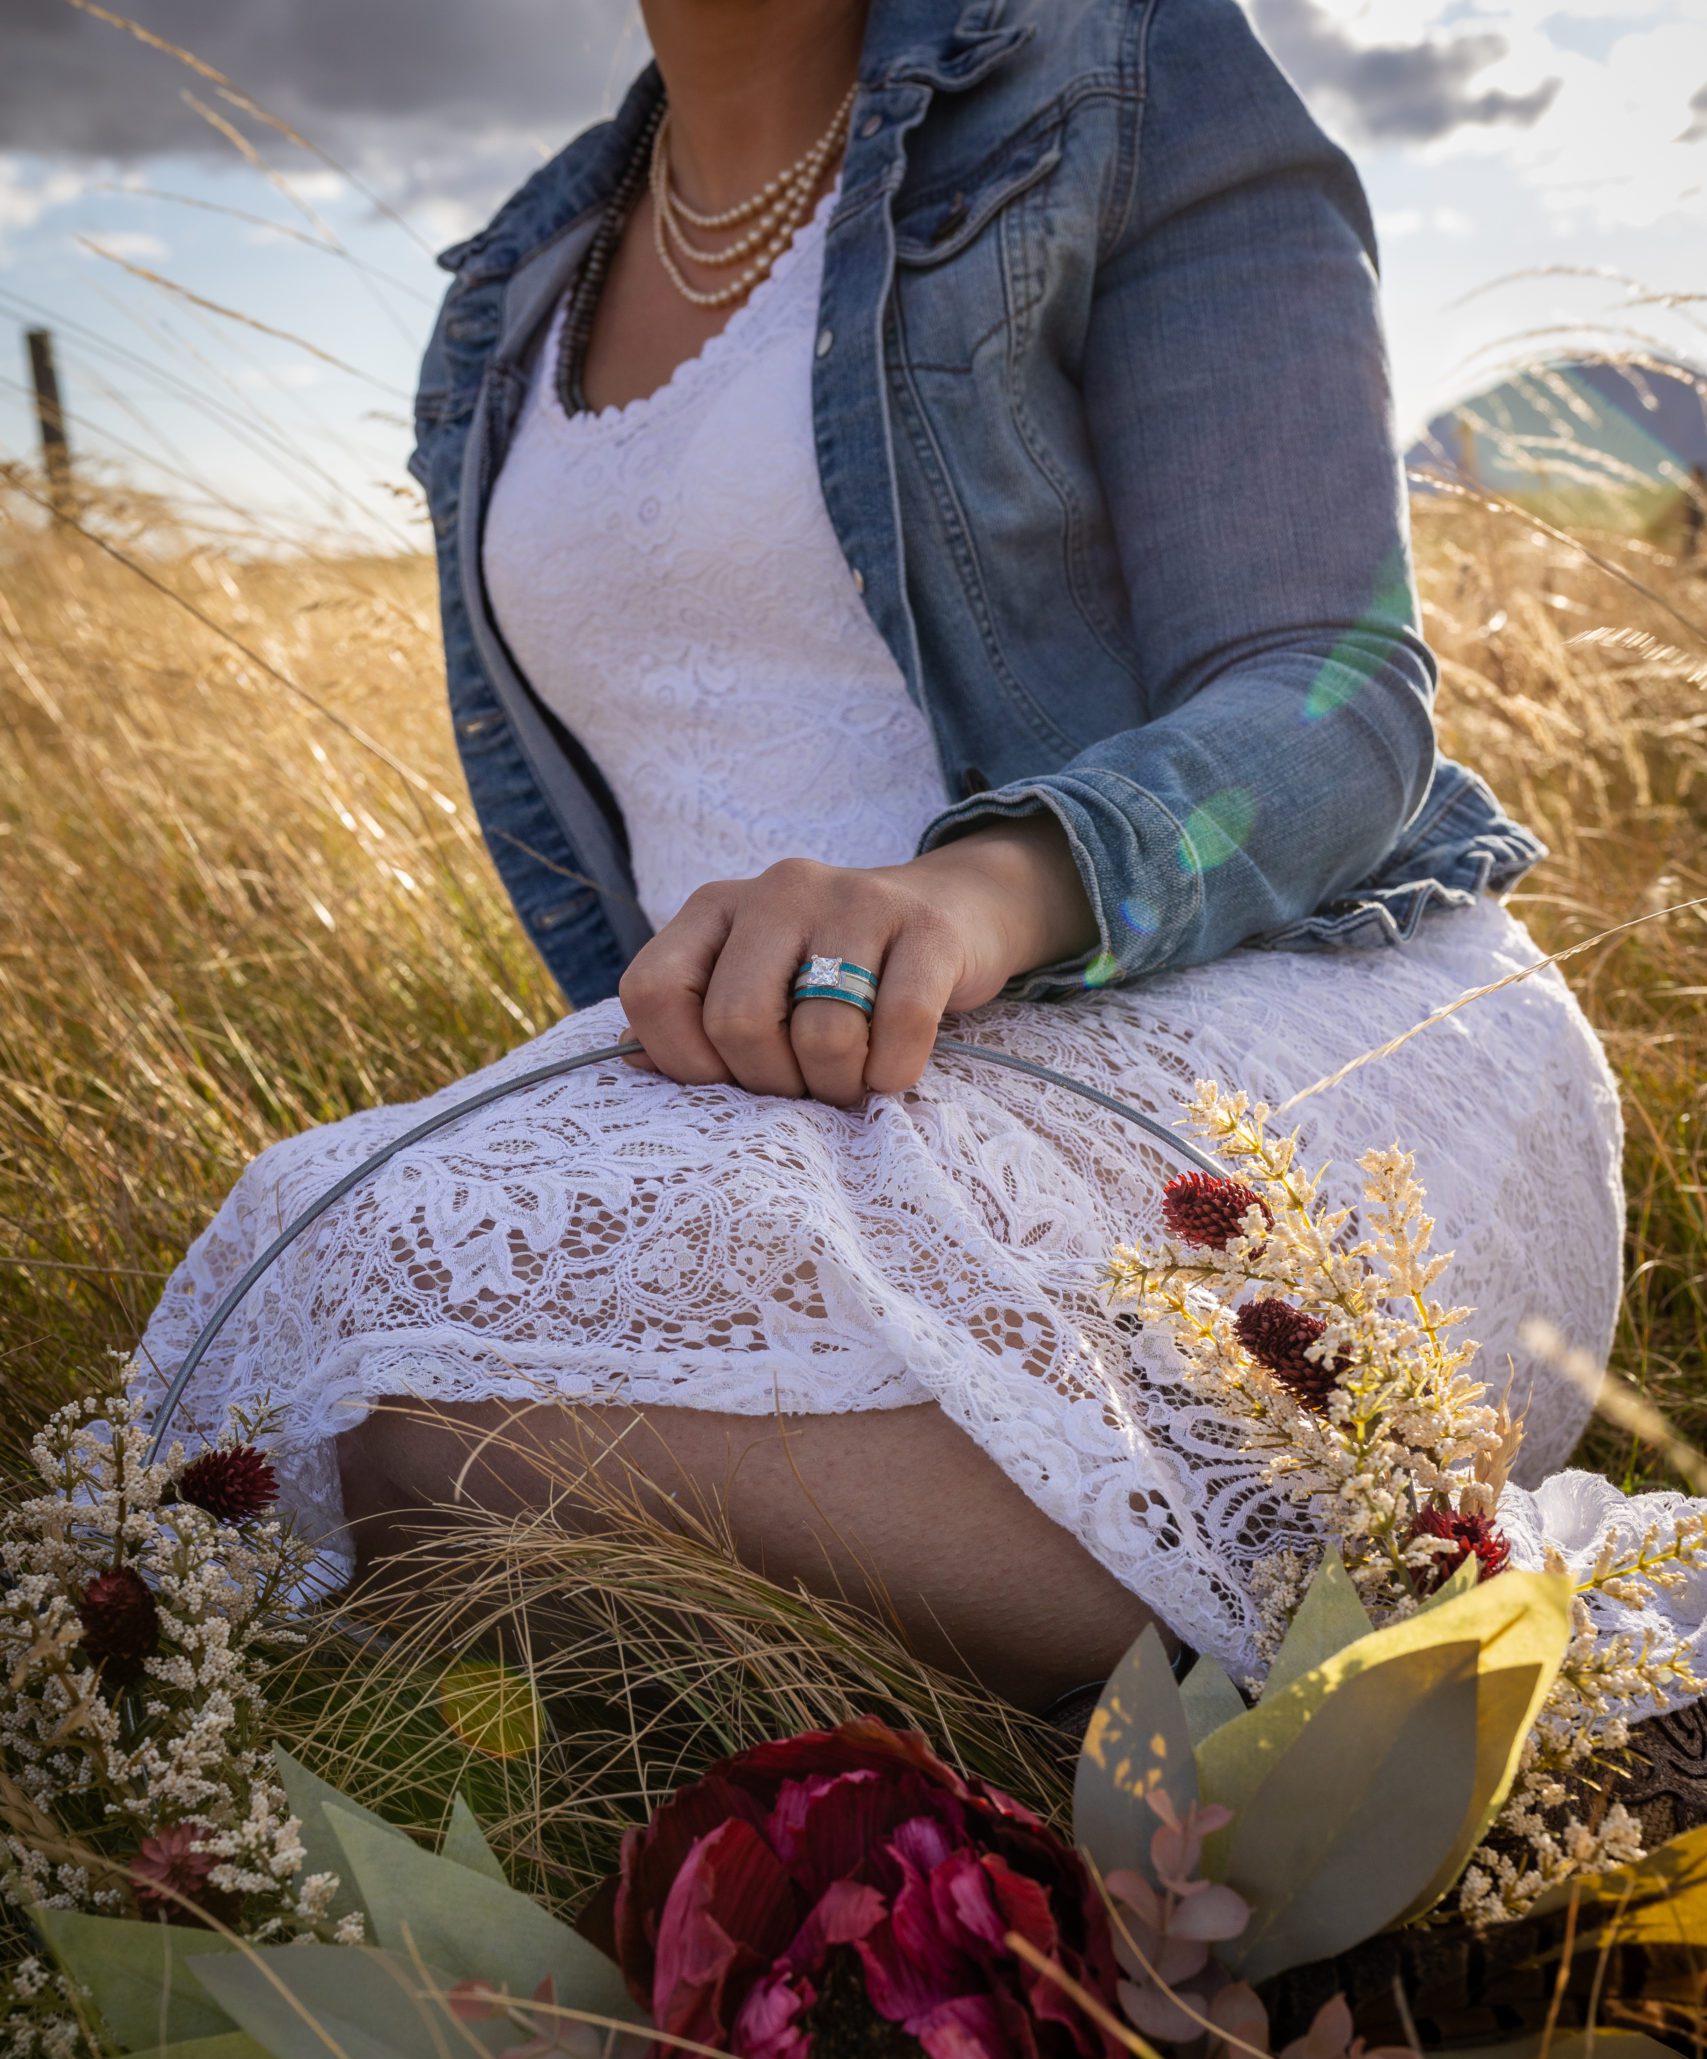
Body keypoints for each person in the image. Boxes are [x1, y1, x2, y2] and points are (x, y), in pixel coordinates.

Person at [139, 0, 1624, 1709]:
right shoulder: (512, 291)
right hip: (811, 1097)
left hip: (1266, 1033)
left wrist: (979, 889)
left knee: (366, 1340)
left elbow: (1332, 693)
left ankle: (1407, 1639)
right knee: (311, 1314)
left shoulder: (1124, 71)